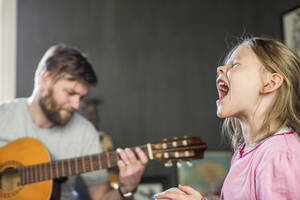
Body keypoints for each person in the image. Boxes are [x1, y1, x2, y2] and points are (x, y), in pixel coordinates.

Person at [155, 37, 300, 200]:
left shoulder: (281, 155)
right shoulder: (244, 151)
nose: (220, 68)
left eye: (235, 64)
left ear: (270, 83)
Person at [0, 44, 148, 200]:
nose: (76, 105)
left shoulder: (84, 133)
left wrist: (126, 188)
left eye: (81, 97)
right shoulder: (3, 114)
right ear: (45, 80)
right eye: (70, 93)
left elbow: (102, 197)